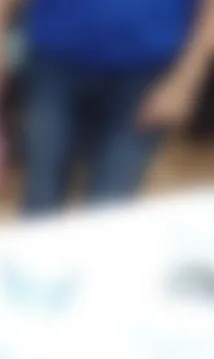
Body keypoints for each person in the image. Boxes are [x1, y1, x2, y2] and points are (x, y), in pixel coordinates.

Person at [13, 0, 214, 213]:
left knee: (111, 202)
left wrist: (185, 81)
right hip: (53, 70)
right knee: (42, 193)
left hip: (146, 78)